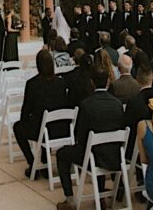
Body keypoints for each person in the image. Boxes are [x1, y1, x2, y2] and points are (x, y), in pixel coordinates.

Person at [54, 65, 126, 209]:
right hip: (115, 155)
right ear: (107, 82)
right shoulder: (118, 104)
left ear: (91, 82)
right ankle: (100, 196)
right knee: (95, 148)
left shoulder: (86, 105)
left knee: (62, 154)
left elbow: (80, 135)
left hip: (94, 154)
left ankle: (69, 199)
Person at [15, 49, 70, 177]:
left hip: (41, 129)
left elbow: (26, 110)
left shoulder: (32, 84)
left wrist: (26, 121)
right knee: (47, 121)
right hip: (60, 128)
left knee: (18, 127)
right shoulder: (61, 82)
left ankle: (33, 163)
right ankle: (45, 162)